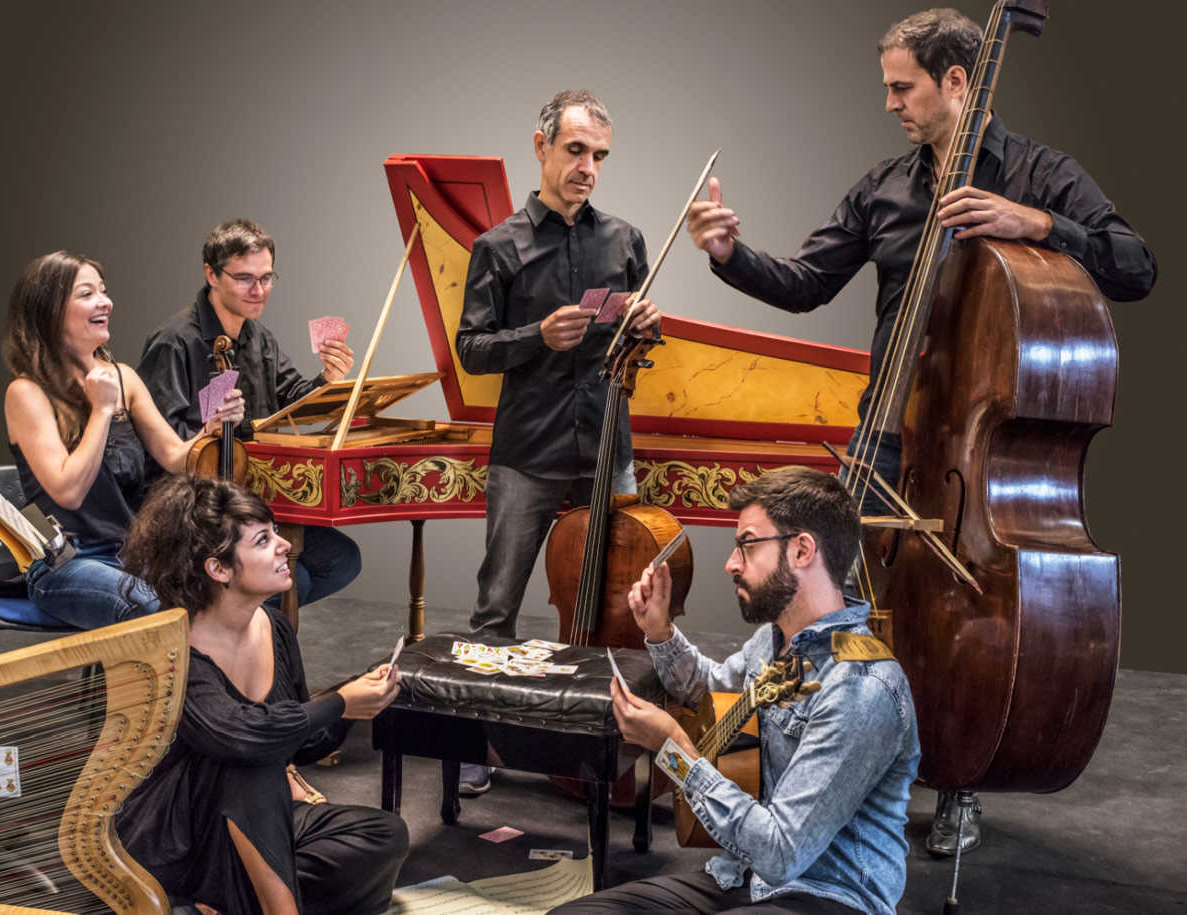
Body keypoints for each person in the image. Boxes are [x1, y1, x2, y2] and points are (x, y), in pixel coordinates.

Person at [685, 7, 1157, 856]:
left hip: (974, 456)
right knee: (846, 619)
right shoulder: (886, 188)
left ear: (957, 83)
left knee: (954, 624)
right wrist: (729, 253)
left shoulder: (1041, 175)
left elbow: (1137, 264)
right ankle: (826, 782)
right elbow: (804, 283)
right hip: (885, 444)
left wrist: (1038, 224)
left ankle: (959, 776)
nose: (892, 104)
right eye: (887, 89)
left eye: (903, 87)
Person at [552, 466, 918, 914]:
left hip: (825, 894)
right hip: (739, 877)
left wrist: (676, 749)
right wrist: (659, 630)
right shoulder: (773, 638)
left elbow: (781, 853)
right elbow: (710, 691)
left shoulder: (862, 688)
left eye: (746, 544)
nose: (731, 563)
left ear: (802, 550)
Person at [453, 89, 660, 795]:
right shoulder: (498, 246)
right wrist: (534, 337)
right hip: (530, 451)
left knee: (614, 606)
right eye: (576, 151)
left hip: (607, 443)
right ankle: (475, 745)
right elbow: (472, 350)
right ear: (540, 147)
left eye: (599, 156)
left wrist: (644, 323)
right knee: (496, 608)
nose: (588, 168)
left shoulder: (624, 240)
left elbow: (639, 340)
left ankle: (603, 746)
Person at [115, 474, 408, 914]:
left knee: (384, 836)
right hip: (177, 841)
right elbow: (242, 737)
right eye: (263, 540)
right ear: (219, 568)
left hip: (253, 825)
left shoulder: (274, 628)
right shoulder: (176, 649)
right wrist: (340, 702)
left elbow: (306, 744)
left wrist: (359, 702)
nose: (285, 546)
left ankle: (234, 903)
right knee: (252, 761)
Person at [2, 251, 245, 628]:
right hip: (68, 563)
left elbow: (176, 458)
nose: (105, 302)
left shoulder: (124, 377)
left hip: (134, 554)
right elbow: (68, 492)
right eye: (86, 294)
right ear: (49, 311)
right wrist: (101, 411)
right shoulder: (27, 393)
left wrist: (211, 431)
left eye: (103, 290)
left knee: (224, 593)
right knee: (155, 609)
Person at [137, 219, 362, 610]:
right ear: (212, 274)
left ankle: (248, 615)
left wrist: (329, 378)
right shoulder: (174, 342)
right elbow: (164, 446)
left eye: (267, 277)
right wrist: (208, 433)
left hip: (258, 497)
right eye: (244, 279)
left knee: (341, 561)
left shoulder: (259, 336)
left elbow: (293, 399)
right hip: (199, 508)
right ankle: (249, 622)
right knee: (283, 581)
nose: (259, 291)